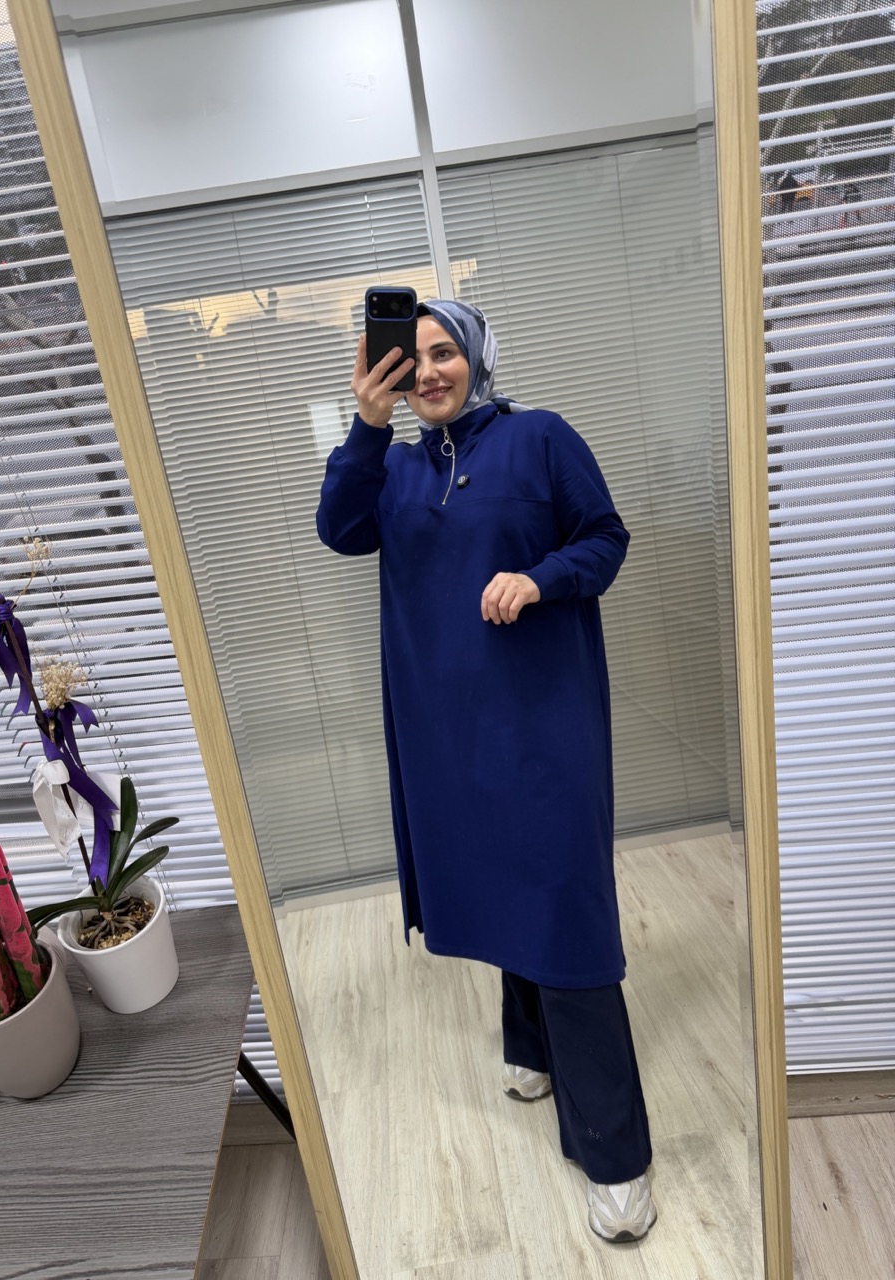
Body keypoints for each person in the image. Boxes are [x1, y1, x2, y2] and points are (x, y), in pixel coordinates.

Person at [316, 298, 655, 1243]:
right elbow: (338, 529)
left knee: (564, 908)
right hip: (444, 731)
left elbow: (605, 539)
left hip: (544, 723)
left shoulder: (539, 438)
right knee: (503, 878)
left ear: (476, 356)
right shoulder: (390, 466)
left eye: (444, 352)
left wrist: (541, 578)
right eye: (411, 357)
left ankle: (614, 1154)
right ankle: (529, 1044)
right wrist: (365, 424)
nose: (428, 371)